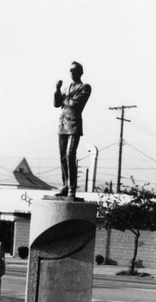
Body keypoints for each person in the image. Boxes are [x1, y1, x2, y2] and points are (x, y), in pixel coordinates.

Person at [54, 61, 91, 199]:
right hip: (62, 124)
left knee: (70, 155)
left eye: (75, 70)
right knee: (63, 157)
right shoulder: (65, 88)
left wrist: (64, 99)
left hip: (74, 125)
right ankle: (65, 185)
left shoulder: (85, 87)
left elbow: (75, 104)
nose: (72, 73)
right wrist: (57, 90)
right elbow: (56, 104)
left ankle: (71, 188)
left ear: (80, 72)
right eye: (70, 70)